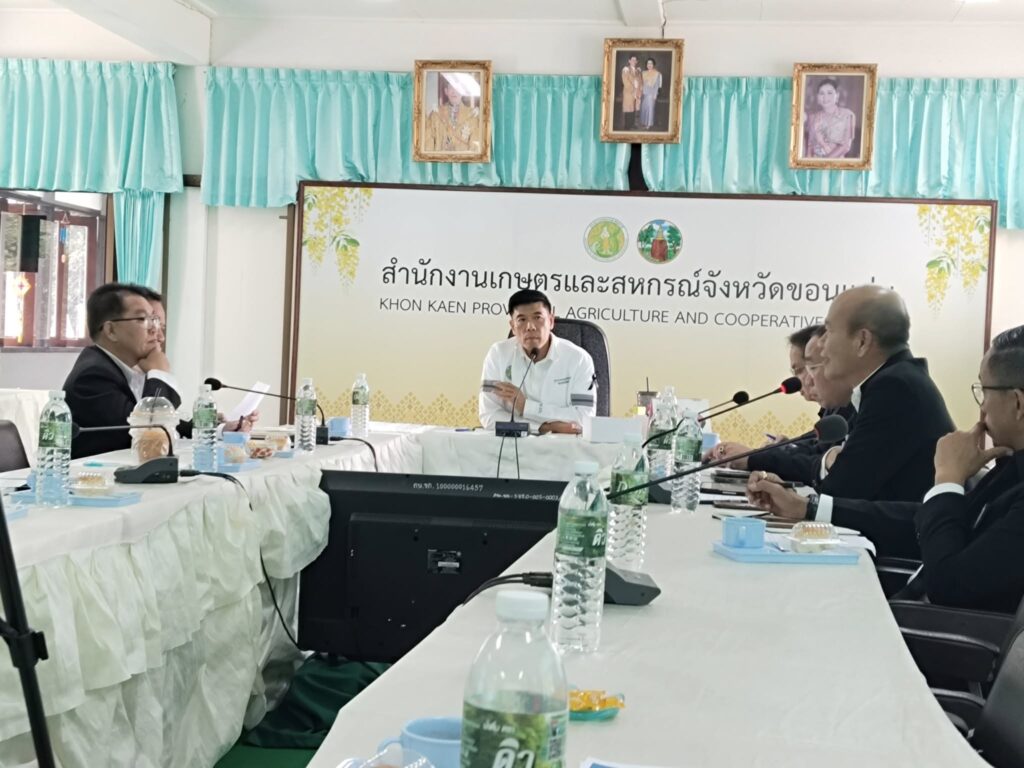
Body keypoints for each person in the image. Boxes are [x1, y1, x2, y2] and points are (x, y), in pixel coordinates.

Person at [748, 326, 1024, 612]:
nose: (982, 408)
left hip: (933, 632)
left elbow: (949, 586)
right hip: (910, 607)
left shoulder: (896, 386)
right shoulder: (1010, 466)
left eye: (984, 392)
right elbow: (926, 524)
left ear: (1017, 403)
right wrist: (807, 509)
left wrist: (947, 481)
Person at [63, 283, 183, 458]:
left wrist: (214, 428)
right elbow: (148, 432)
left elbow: (149, 419)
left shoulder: (118, 369)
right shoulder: (92, 377)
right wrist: (159, 374)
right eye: (142, 319)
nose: (154, 329)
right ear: (111, 330)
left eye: (154, 320)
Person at [134, 286, 258, 433]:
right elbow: (149, 430)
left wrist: (221, 428)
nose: (161, 337)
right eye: (152, 326)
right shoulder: (114, 375)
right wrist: (159, 373)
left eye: (162, 328)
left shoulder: (145, 372)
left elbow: (170, 425)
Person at [479, 289, 596, 435]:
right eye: (522, 320)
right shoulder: (498, 354)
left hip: (564, 446)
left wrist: (526, 407)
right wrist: (542, 428)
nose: (530, 327)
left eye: (537, 318)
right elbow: (488, 416)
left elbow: (584, 419)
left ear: (551, 321)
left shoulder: (578, 359)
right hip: (512, 445)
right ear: (513, 326)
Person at [426, 76, 481, 154]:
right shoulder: (436, 114)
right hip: (440, 159)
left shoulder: (472, 115)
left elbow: (475, 147)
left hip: (464, 160)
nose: (454, 92)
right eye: (451, 88)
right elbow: (428, 143)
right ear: (446, 91)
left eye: (458, 88)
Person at [804, 78, 855, 159]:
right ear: (817, 97)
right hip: (815, 162)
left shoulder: (847, 115)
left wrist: (824, 161)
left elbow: (845, 146)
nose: (825, 97)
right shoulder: (812, 117)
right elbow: (810, 146)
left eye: (829, 93)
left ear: (837, 95)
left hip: (837, 163)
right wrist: (807, 164)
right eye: (821, 93)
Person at [619, 54, 642, 130]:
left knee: (633, 109)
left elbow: (641, 81)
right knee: (628, 109)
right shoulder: (626, 70)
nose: (634, 61)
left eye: (635, 60)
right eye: (632, 60)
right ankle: (627, 126)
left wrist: (639, 90)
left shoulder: (638, 71)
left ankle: (632, 124)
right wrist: (633, 89)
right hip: (629, 92)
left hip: (636, 92)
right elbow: (625, 81)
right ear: (629, 61)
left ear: (637, 61)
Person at [638, 58, 662, 130]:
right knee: (644, 108)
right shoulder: (643, 73)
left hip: (651, 94)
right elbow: (641, 83)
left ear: (653, 64)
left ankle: (649, 124)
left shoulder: (657, 73)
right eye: (648, 63)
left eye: (651, 63)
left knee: (650, 109)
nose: (649, 65)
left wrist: (655, 95)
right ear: (646, 65)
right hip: (644, 93)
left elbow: (657, 85)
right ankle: (644, 123)